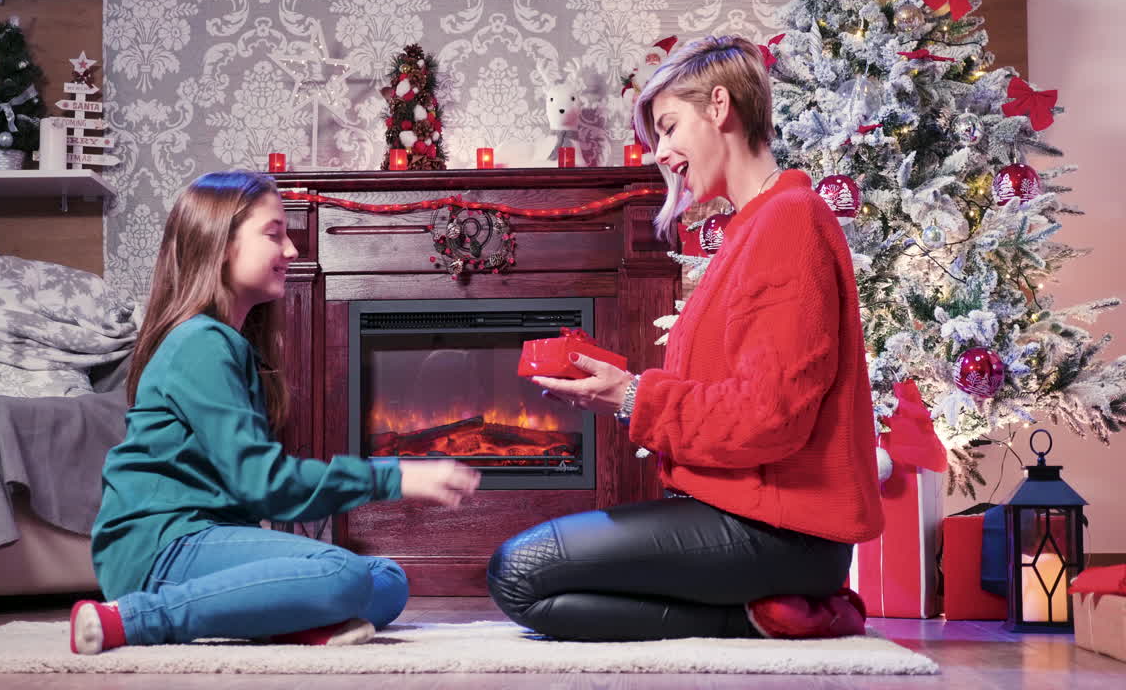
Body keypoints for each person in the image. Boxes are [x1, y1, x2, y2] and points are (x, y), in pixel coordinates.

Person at [486, 36, 884, 641]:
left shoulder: (788, 220)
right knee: (530, 575)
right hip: (746, 516)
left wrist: (632, 396)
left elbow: (768, 417)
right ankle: (772, 611)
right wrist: (620, 390)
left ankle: (778, 614)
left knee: (519, 574)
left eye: (670, 127)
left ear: (720, 106)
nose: (662, 153)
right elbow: (735, 393)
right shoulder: (756, 225)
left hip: (783, 532)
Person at [70, 171, 480, 654]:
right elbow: (263, 484)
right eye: (274, 234)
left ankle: (282, 619)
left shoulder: (227, 343)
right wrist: (393, 477)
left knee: (387, 580)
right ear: (222, 244)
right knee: (342, 574)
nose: (291, 249)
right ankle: (134, 619)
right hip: (160, 546)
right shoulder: (199, 343)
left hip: (210, 538)